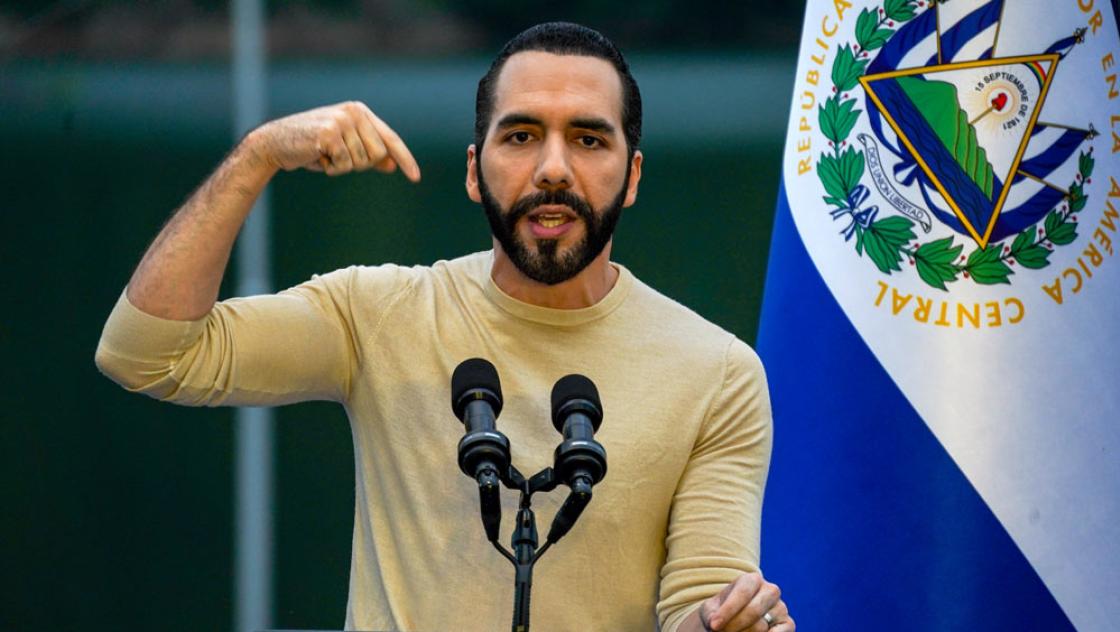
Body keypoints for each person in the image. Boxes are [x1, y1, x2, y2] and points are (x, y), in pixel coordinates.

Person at [95, 22, 793, 632]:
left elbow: (701, 600)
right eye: (521, 135)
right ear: (473, 170)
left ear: (633, 176)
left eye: (588, 139)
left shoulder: (716, 372)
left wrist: (725, 622)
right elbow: (149, 354)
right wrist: (258, 157)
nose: (553, 169)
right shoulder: (379, 313)